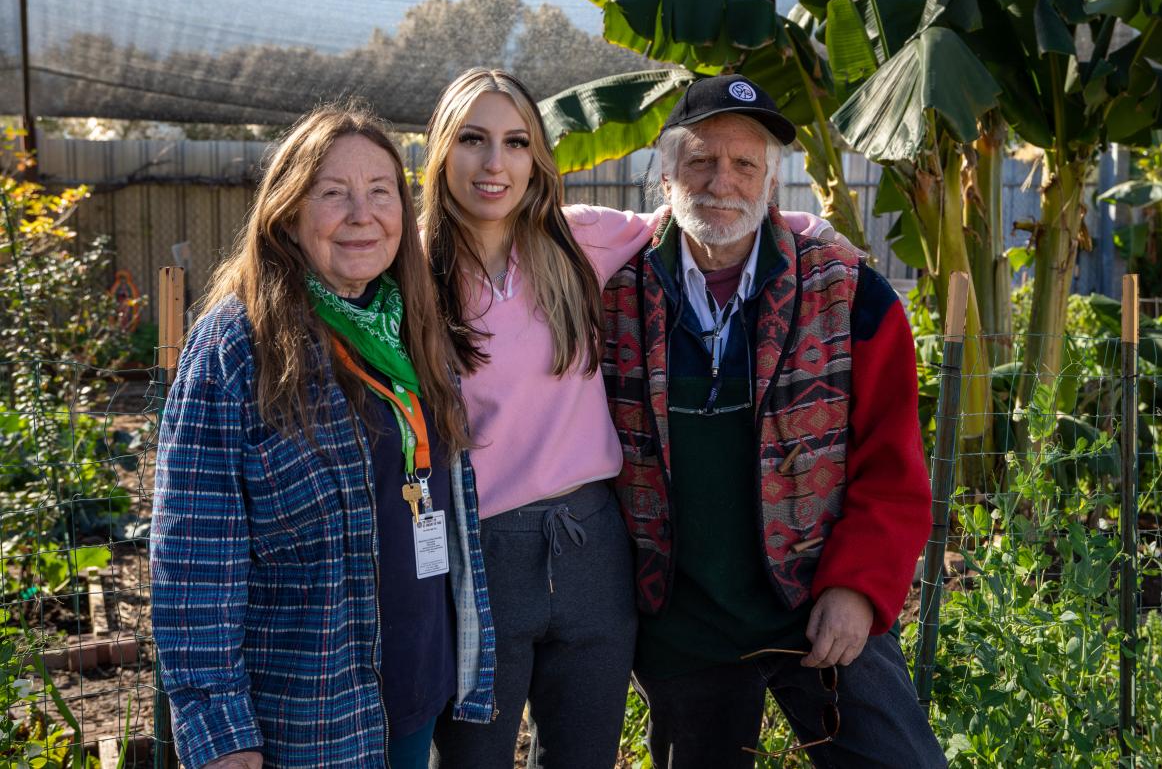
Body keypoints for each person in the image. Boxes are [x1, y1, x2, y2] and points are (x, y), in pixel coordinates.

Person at [421, 68, 833, 769]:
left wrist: (814, 230)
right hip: (478, 550)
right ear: (440, 151)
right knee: (471, 757)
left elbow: (704, 215)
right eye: (472, 139)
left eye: (516, 142)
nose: (495, 163)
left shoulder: (577, 240)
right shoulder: (409, 271)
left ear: (536, 158)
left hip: (592, 547)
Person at [601, 74, 947, 768]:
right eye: (701, 160)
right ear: (666, 176)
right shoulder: (611, 298)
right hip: (685, 625)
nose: (721, 181)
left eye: (744, 163)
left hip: (818, 601)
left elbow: (893, 465)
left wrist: (857, 587)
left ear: (771, 182)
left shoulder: (850, 295)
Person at [151, 105, 495, 769]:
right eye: (334, 193)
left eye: (381, 192)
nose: (362, 215)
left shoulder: (411, 323)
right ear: (287, 213)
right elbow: (193, 556)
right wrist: (222, 733)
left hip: (415, 690)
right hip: (310, 716)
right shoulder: (238, 344)